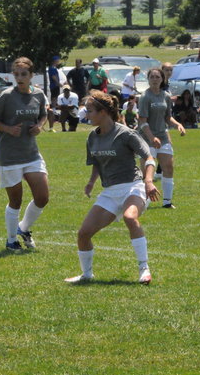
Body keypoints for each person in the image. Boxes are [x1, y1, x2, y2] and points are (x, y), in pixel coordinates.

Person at [65, 90, 159, 285]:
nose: (86, 115)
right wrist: (91, 182)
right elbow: (97, 163)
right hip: (110, 191)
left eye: (89, 110)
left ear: (103, 112)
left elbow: (149, 158)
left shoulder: (126, 134)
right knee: (83, 234)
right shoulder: (92, 137)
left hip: (133, 186)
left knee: (130, 217)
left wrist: (149, 181)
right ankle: (86, 274)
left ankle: (144, 269)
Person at [0, 56, 49, 251]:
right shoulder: (6, 96)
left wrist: (39, 126)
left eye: (24, 74)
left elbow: (44, 114)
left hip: (31, 154)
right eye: (16, 74)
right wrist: (8, 129)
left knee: (42, 197)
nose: (20, 78)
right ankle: (11, 240)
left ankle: (23, 228)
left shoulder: (38, 94)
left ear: (32, 75)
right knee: (15, 201)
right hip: (10, 155)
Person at [138, 68, 186, 209]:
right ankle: (145, 201)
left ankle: (167, 202)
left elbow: (168, 117)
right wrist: (152, 138)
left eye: (157, 77)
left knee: (168, 168)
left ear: (162, 79)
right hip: (147, 138)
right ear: (148, 79)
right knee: (147, 172)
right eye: (152, 77)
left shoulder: (166, 96)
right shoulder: (145, 97)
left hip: (162, 137)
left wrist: (178, 125)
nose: (154, 79)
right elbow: (142, 121)